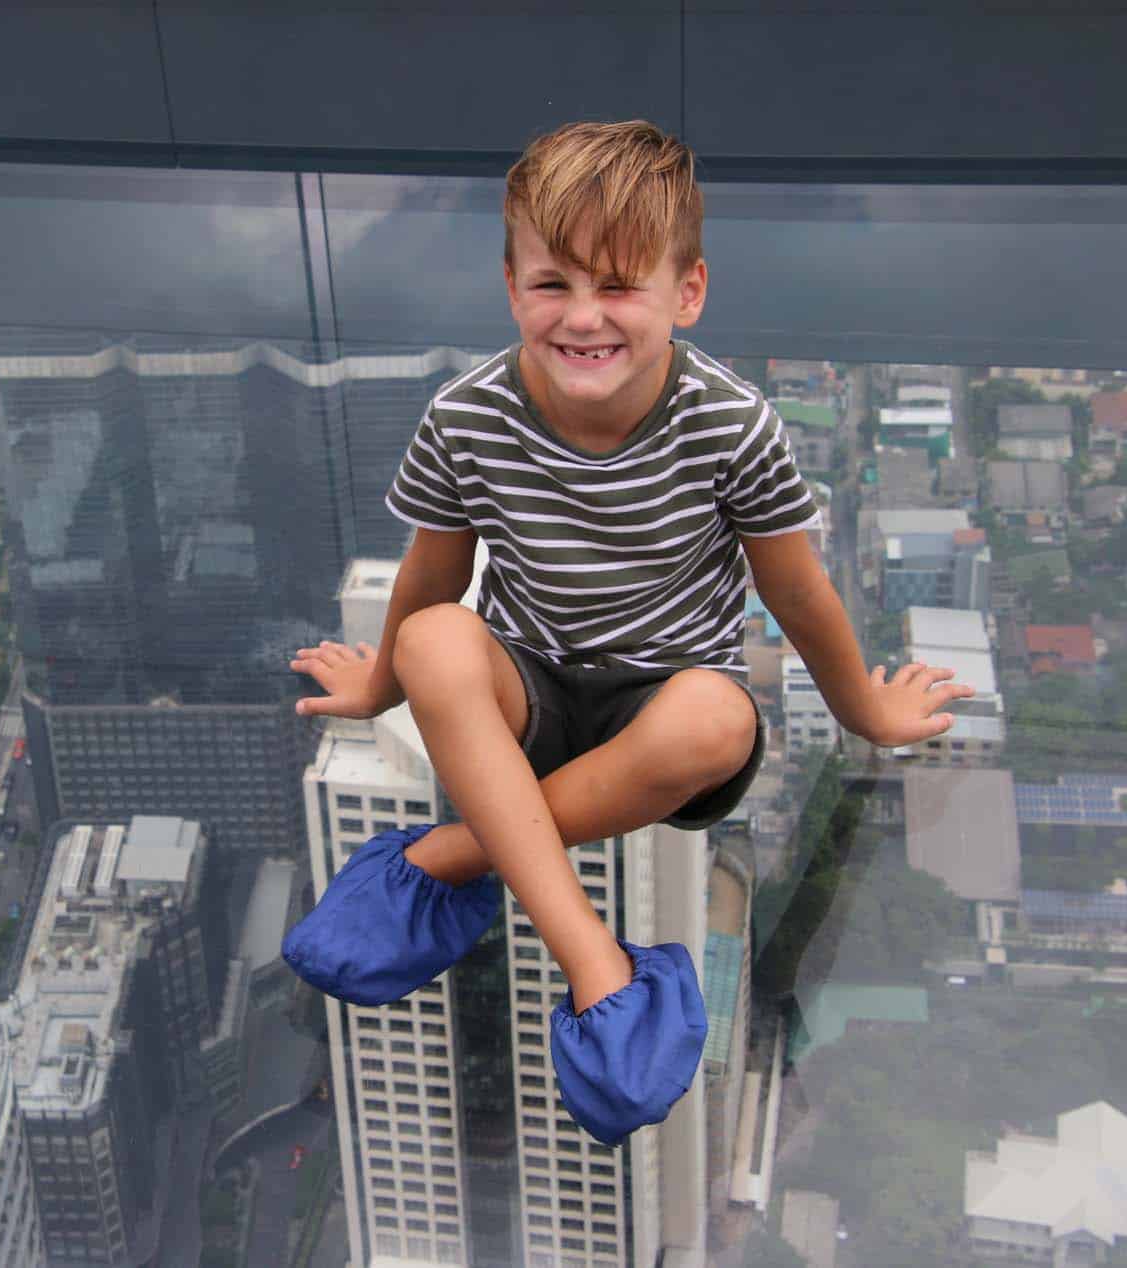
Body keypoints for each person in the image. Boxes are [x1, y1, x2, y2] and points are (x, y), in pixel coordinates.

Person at [281, 120, 973, 1145]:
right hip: (531, 690)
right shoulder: (468, 414)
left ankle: (453, 856)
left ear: (686, 292)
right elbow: (437, 570)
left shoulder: (729, 423)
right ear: (510, 285)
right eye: (552, 284)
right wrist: (382, 680)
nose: (584, 317)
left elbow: (800, 593)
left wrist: (869, 708)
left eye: (619, 287)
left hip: (663, 706)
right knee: (435, 635)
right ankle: (600, 970)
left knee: (716, 719)